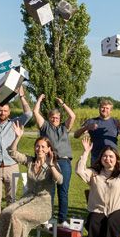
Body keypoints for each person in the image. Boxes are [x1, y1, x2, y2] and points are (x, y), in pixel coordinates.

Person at [0, 136, 60, 237]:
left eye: (43, 147)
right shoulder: (30, 161)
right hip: (28, 199)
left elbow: (60, 179)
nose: (39, 149)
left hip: (43, 205)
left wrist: (52, 166)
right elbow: (12, 152)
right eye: (37, 146)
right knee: (5, 213)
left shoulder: (52, 164)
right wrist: (18, 137)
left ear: (48, 149)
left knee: (16, 215)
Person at [0, 92, 31, 229]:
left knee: (11, 199)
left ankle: (9, 226)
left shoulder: (14, 122)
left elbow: (29, 114)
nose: (2, 113)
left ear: (9, 111)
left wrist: (22, 97)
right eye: (0, 110)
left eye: (5, 110)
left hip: (11, 166)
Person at [31, 94, 76, 223]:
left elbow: (72, 116)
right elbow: (35, 112)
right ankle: (48, 217)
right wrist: (39, 99)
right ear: (49, 118)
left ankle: (62, 219)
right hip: (49, 161)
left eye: (57, 117)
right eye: (53, 117)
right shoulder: (45, 126)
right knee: (48, 190)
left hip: (64, 161)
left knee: (63, 191)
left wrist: (63, 104)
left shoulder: (64, 128)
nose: (55, 119)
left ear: (60, 118)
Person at [74, 98, 120, 167]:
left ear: (111, 110)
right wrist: (86, 127)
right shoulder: (91, 121)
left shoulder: (115, 122)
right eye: (102, 107)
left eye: (107, 108)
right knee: (95, 177)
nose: (104, 110)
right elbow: (76, 135)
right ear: (99, 108)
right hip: (96, 157)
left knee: (113, 177)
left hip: (112, 158)